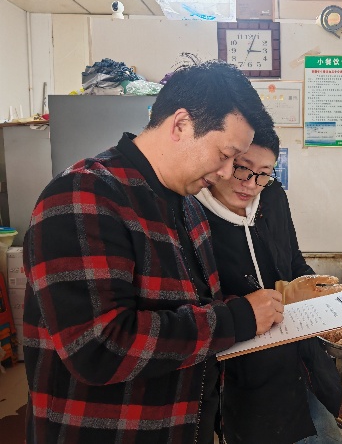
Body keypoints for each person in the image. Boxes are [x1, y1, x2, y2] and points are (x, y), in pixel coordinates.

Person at [22, 61, 285, 444]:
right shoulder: (83, 195)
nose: (228, 173)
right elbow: (98, 348)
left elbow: (190, 310)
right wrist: (238, 318)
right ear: (181, 124)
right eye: (225, 154)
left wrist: (249, 310)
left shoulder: (190, 207)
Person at [196, 129, 342, 444]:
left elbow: (293, 262)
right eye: (242, 168)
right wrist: (245, 310)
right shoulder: (192, 211)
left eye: (264, 173)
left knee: (323, 434)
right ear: (223, 161)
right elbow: (194, 302)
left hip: (299, 359)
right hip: (240, 371)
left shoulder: (273, 196)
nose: (251, 184)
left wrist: (323, 294)